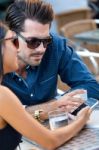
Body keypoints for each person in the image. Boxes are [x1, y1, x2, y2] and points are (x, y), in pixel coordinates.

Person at [0, 21, 92, 150]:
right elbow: (51, 141)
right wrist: (80, 121)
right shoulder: (2, 95)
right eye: (14, 42)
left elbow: (89, 84)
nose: (18, 48)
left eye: (46, 41)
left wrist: (51, 107)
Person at [2, 0, 99, 120]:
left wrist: (57, 104)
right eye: (33, 41)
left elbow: (90, 86)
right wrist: (49, 108)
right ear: (12, 37)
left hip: (54, 124)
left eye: (46, 40)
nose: (42, 49)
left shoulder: (55, 45)